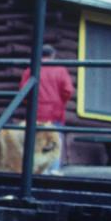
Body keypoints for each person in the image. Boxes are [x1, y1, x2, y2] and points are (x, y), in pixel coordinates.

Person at [20, 44, 75, 172]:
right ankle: (53, 171)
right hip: (55, 113)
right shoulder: (60, 70)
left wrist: (31, 103)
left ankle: (34, 172)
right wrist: (60, 102)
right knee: (54, 143)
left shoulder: (30, 70)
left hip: (35, 113)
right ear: (52, 55)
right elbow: (68, 91)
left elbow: (24, 93)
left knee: (34, 143)